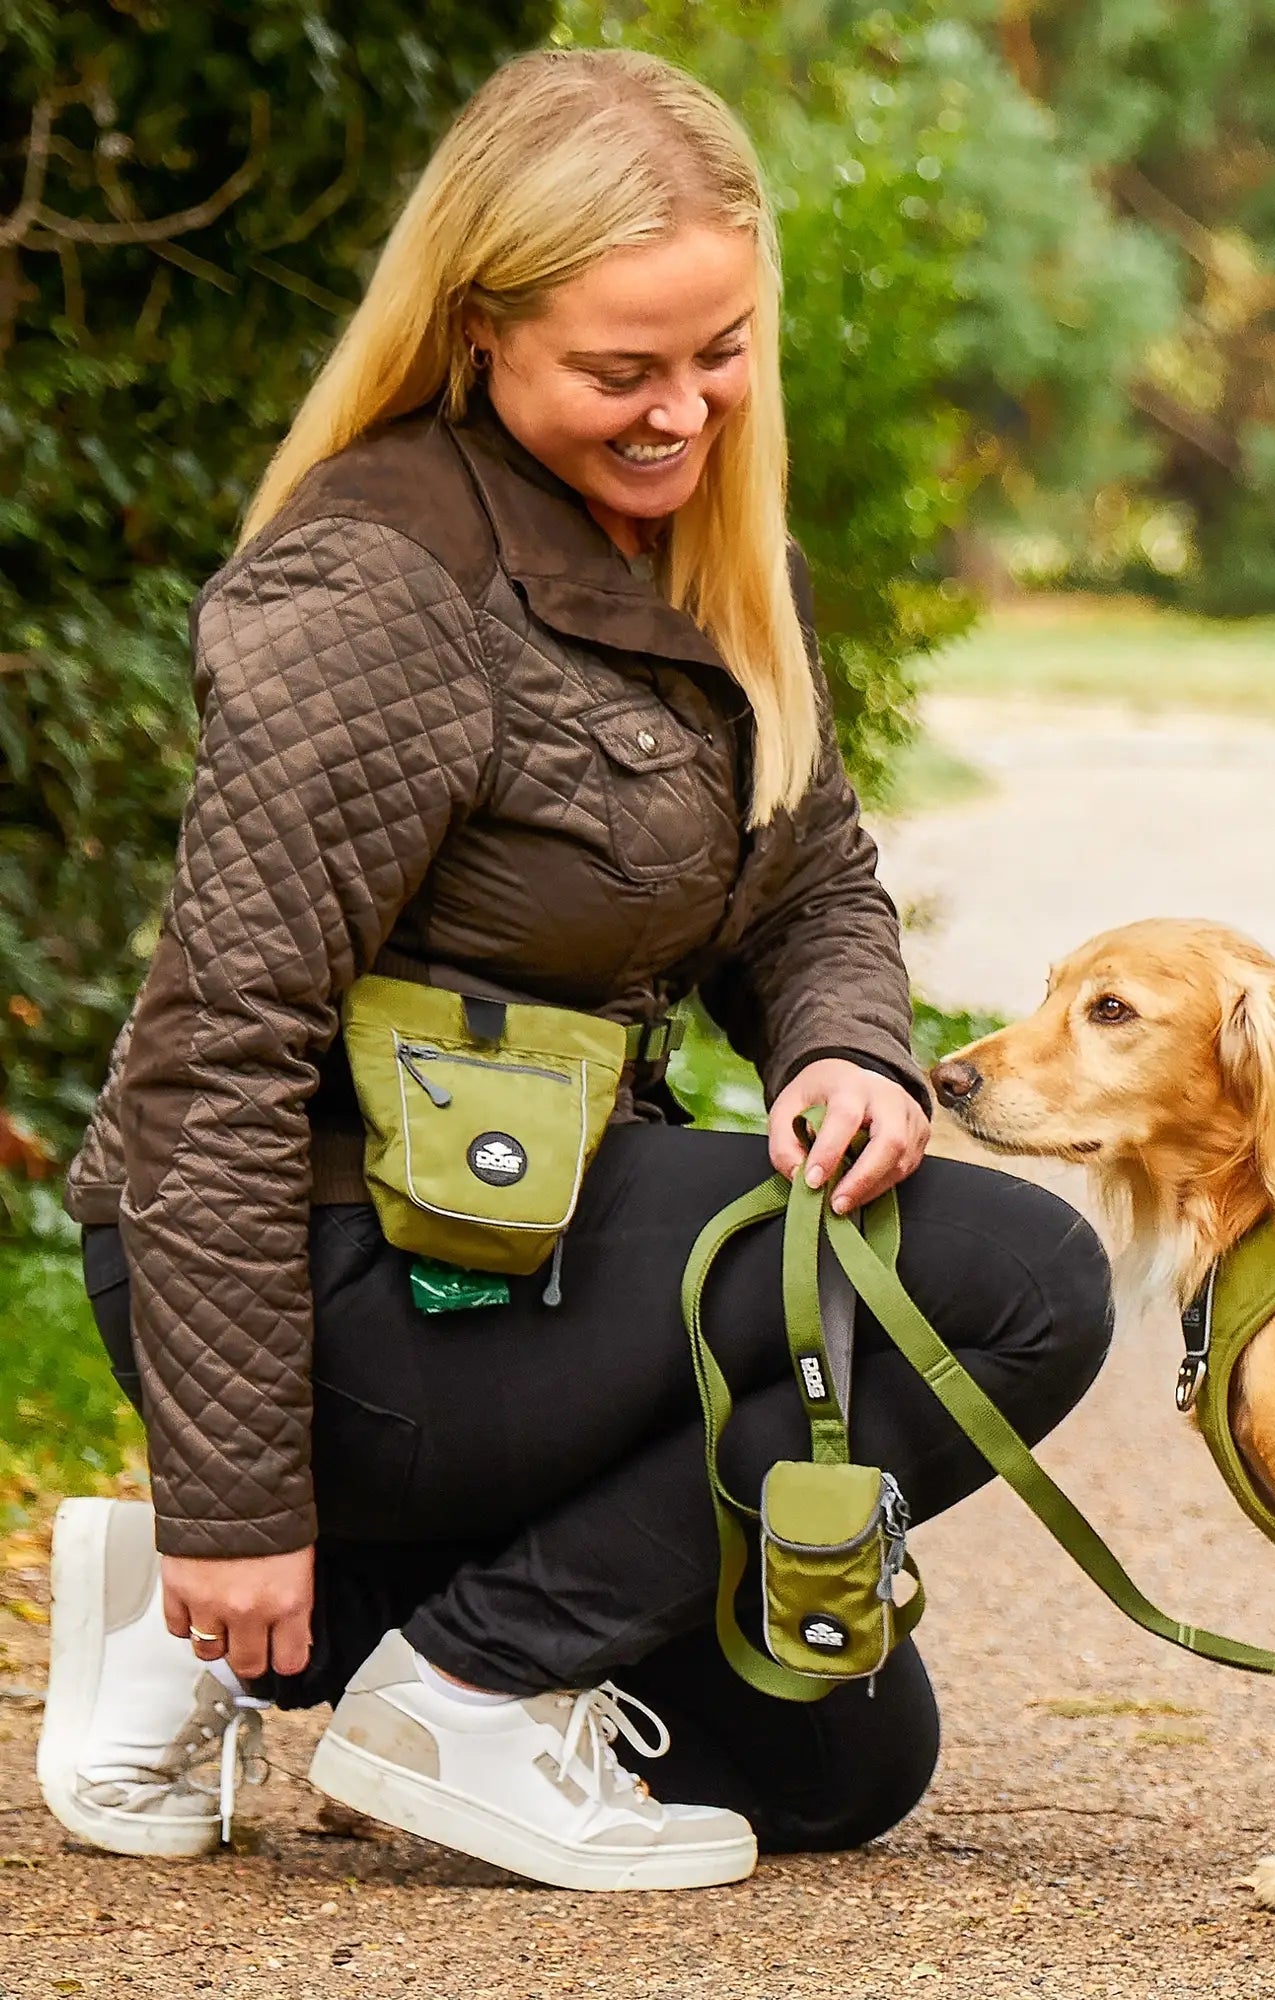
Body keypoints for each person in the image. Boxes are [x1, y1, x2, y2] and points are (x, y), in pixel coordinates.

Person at [40, 47, 1112, 1893]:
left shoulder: (712, 551)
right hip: (337, 1280)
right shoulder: (374, 587)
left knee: (831, 1763)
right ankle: (459, 1685)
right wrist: (233, 1489)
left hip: (524, 1255)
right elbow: (217, 1058)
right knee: (1017, 1284)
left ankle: (214, 1633)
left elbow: (811, 880)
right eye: (622, 371)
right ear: (477, 331)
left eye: (721, 352)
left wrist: (848, 1050)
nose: (682, 411)